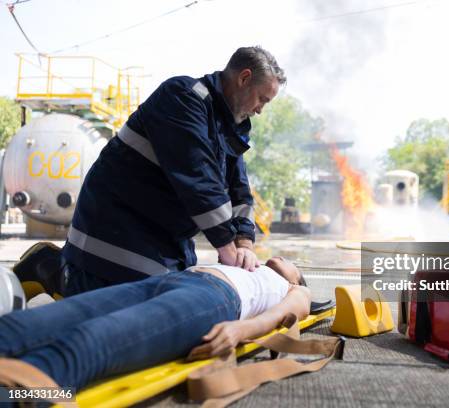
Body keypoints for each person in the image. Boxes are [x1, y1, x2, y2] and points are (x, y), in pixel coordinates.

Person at [59, 46, 286, 295]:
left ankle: (52, 269)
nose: (260, 110)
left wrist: (244, 244)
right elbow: (200, 181)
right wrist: (228, 252)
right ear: (244, 78)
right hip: (113, 241)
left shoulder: (228, 125)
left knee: (175, 300)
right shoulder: (182, 98)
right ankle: (51, 271)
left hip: (163, 240)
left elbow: (239, 192)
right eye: (262, 99)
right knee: (142, 320)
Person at [0, 257, 310, 390]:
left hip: (213, 301)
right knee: (24, 325)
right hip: (169, 281)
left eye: (290, 263)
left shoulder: (294, 289)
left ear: (296, 277)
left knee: (86, 344)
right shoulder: (248, 263)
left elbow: (281, 316)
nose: (280, 258)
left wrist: (239, 330)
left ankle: (13, 398)